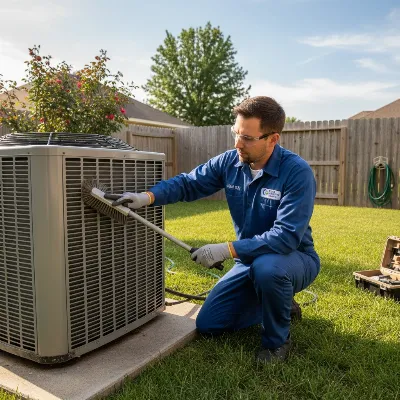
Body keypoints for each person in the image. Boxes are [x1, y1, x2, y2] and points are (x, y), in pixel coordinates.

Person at [109, 96, 320, 363]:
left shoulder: (296, 172)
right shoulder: (231, 162)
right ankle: (279, 303)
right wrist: (147, 197)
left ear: (272, 139)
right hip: (250, 260)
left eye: (247, 138)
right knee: (209, 323)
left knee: (268, 269)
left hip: (294, 260)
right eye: (236, 133)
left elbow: (286, 237)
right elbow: (188, 184)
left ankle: (276, 343)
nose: (237, 143)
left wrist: (226, 249)